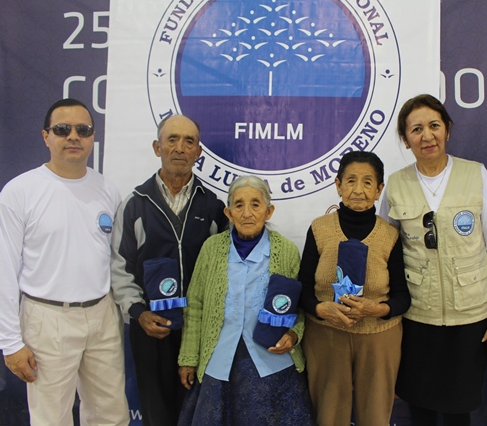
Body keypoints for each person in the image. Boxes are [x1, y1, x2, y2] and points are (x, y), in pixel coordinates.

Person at [379, 94, 487, 426]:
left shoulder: (475, 174)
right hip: (417, 317)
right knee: (420, 405)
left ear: (447, 130)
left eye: (434, 126)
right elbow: (383, 251)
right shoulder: (395, 184)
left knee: (458, 408)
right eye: (416, 129)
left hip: (471, 316)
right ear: (405, 139)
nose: (427, 136)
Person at [0, 98, 129, 425]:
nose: (73, 136)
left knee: (111, 415)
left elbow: (114, 260)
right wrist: (10, 341)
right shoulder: (21, 192)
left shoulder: (107, 190)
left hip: (102, 315)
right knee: (51, 419)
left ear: (92, 137)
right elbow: (4, 268)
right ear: (46, 136)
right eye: (63, 129)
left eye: (82, 130)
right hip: (47, 318)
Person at [110, 114, 228, 426]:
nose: (179, 147)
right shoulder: (135, 204)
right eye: (172, 139)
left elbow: (221, 269)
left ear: (198, 152)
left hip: (196, 329)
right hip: (149, 326)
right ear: (157, 147)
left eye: (189, 141)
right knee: (155, 411)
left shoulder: (213, 207)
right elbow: (120, 267)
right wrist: (138, 312)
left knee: (193, 411)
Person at [177, 176, 314, 426]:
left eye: (255, 204)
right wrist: (188, 357)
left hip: (273, 363)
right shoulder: (212, 248)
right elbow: (195, 305)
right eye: (239, 205)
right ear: (228, 213)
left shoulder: (285, 250)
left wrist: (293, 334)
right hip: (219, 360)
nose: (247, 213)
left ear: (268, 210)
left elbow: (300, 307)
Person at [299, 151, 411, 426]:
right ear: (338, 185)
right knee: (328, 415)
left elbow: (402, 297)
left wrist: (378, 308)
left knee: (375, 416)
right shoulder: (319, 229)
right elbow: (302, 289)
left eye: (367, 182)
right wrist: (320, 309)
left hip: (379, 338)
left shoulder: (390, 235)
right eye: (350, 181)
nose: (358, 190)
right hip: (326, 337)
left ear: (379, 189)